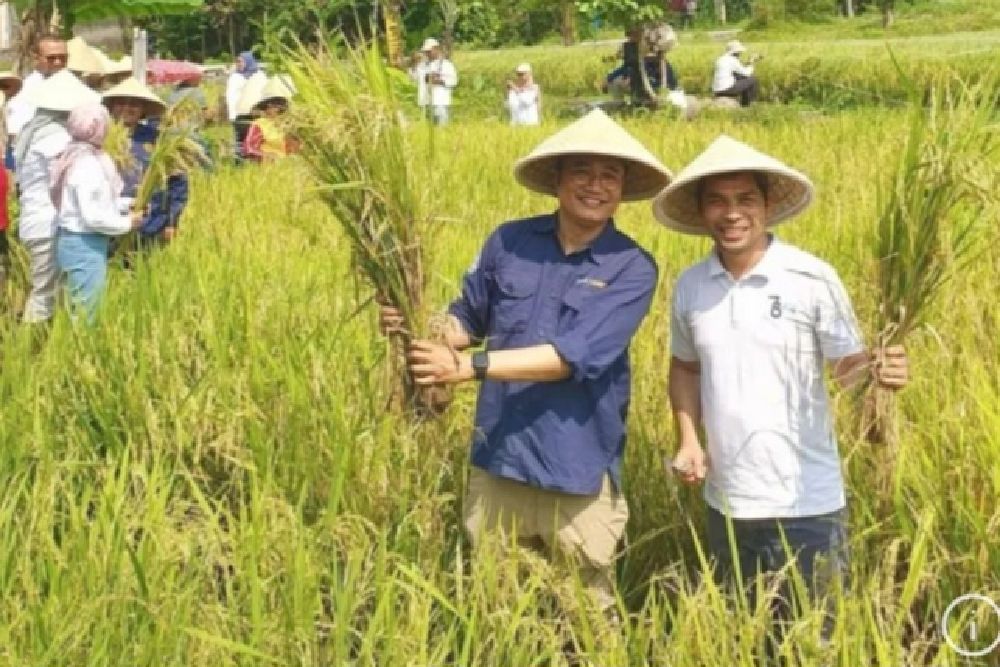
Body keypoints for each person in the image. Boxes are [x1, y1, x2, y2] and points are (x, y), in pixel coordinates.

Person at [381, 109, 673, 624]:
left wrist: (468, 367)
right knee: (497, 611)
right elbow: (466, 320)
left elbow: (569, 358)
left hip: (577, 470)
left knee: (585, 620)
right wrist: (414, 324)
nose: (595, 186)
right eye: (582, 171)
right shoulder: (509, 242)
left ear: (623, 189)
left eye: (610, 175)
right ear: (557, 179)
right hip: (500, 459)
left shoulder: (631, 267)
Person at [652, 135, 909, 640]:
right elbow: (685, 368)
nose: (732, 214)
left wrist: (881, 371)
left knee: (815, 641)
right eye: (718, 201)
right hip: (725, 501)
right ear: (702, 211)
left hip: (806, 502)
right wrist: (688, 439)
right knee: (742, 635)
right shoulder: (691, 285)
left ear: (768, 206)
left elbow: (846, 368)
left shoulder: (811, 278)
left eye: (745, 199)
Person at [15, 70, 99, 324]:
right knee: (46, 294)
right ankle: (32, 350)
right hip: (47, 224)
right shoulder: (54, 136)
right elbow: (71, 178)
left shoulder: (35, 130)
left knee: (51, 291)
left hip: (39, 221)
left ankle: (43, 348)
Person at [52, 103, 143, 320]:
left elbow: (93, 201)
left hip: (76, 241)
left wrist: (126, 204)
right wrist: (128, 223)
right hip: (84, 244)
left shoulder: (75, 154)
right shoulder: (86, 164)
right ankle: (81, 353)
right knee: (86, 313)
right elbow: (92, 215)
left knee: (81, 305)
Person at [102, 77, 189, 246]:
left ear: (143, 109)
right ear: (111, 106)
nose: (127, 108)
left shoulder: (158, 141)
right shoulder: (99, 137)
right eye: (121, 102)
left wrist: (172, 221)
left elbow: (178, 183)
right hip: (107, 224)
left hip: (150, 224)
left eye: (134, 104)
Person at [6, 34, 67, 150]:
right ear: (36, 58)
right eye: (51, 58)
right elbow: (15, 132)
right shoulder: (25, 91)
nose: (58, 62)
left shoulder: (73, 87)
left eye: (63, 58)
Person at [244, 77, 296, 163]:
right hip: (269, 167)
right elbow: (249, 148)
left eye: (277, 105)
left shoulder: (291, 124)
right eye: (271, 105)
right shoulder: (259, 124)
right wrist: (265, 155)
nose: (274, 108)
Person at [226, 51, 260, 159]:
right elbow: (231, 97)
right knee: (240, 141)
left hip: (254, 114)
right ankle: (240, 162)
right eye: (237, 62)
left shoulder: (258, 76)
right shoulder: (235, 77)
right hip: (238, 114)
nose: (239, 64)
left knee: (255, 139)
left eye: (241, 62)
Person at [711, 40, 761, 108]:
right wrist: (752, 61)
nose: (740, 54)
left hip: (717, 90)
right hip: (727, 90)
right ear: (736, 52)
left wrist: (748, 62)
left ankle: (744, 103)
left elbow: (740, 72)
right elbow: (747, 73)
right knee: (753, 79)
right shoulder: (733, 60)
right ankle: (747, 105)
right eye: (739, 52)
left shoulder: (720, 59)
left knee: (742, 78)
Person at [420, 38, 457, 125]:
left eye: (429, 51)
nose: (427, 54)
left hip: (441, 102)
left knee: (442, 130)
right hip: (428, 103)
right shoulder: (425, 65)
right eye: (426, 52)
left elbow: (453, 81)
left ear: (436, 49)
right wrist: (428, 78)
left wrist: (440, 81)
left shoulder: (446, 64)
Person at [407, 49, 429, 114]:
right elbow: (412, 79)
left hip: (427, 90)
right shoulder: (414, 69)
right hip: (420, 91)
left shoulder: (426, 66)